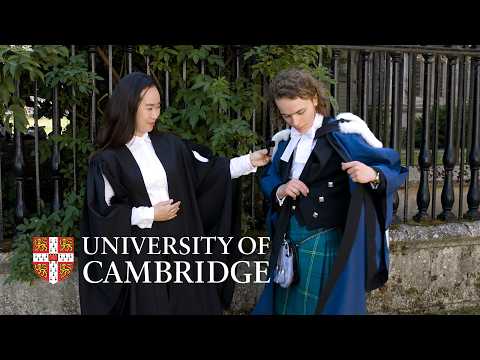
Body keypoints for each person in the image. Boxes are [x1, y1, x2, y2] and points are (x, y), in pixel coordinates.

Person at [78, 72, 270, 315]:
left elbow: (210, 173)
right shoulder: (107, 160)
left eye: (158, 107)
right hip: (143, 258)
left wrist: (249, 161)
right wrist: (149, 214)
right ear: (128, 107)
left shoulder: (170, 145)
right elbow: (102, 216)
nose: (155, 115)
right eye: (148, 108)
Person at [252, 68, 408, 315]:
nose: (295, 122)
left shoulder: (342, 135)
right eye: (286, 116)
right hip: (288, 237)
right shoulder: (284, 142)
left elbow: (392, 166)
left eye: (300, 112)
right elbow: (269, 178)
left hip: (324, 240)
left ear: (315, 98)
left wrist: (372, 175)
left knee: (322, 308)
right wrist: (281, 189)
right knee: (284, 309)